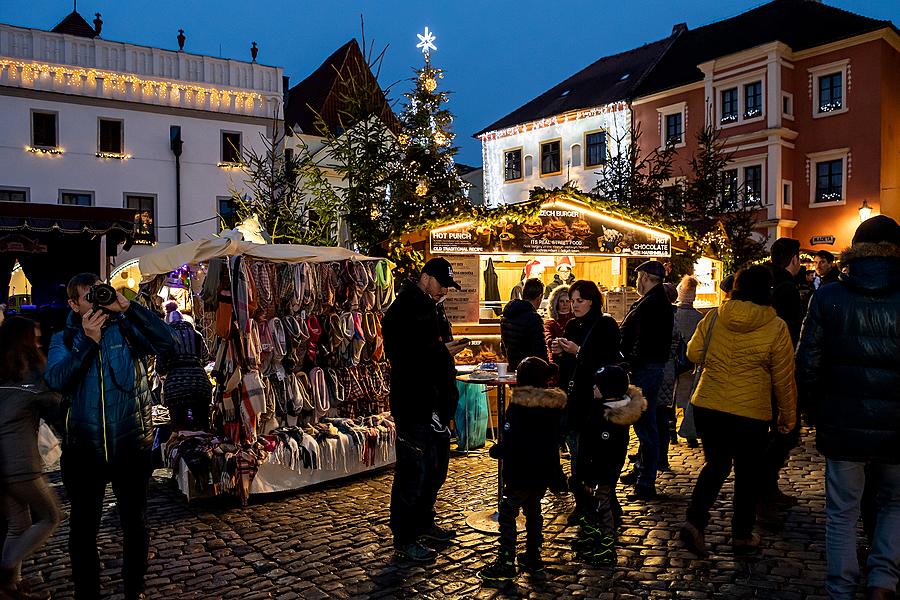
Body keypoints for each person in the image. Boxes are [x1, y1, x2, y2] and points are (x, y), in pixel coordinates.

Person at [44, 273, 175, 600]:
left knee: (135, 525)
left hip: (130, 446)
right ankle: (87, 593)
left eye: (100, 294)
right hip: (83, 452)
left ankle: (135, 589)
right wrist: (88, 340)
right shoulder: (63, 338)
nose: (97, 302)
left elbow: (169, 342)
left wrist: (128, 307)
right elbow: (57, 380)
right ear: (73, 304)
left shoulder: (128, 331)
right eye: (89, 298)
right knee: (83, 531)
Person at [796, 215, 900, 599]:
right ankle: (882, 582)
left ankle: (841, 589)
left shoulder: (829, 295)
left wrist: (814, 410)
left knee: (842, 511)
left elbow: (807, 363)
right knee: (893, 503)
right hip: (896, 424)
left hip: (842, 420)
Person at [679, 265, 796, 558]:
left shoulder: (716, 316)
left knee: (716, 466)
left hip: (709, 404)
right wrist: (788, 416)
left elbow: (693, 353)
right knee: (748, 474)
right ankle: (741, 535)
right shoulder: (776, 326)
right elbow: (784, 377)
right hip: (750, 411)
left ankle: (694, 522)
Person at [382, 258, 466, 563]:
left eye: (448, 285)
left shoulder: (432, 307)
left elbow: (434, 353)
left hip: (435, 403)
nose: (444, 290)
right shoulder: (403, 310)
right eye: (442, 283)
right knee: (412, 472)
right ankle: (404, 536)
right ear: (425, 278)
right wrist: (440, 353)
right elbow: (405, 357)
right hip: (414, 403)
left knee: (435, 468)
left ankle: (423, 521)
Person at [478, 357, 566, 583]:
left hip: (520, 472)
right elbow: (553, 441)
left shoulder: (520, 406)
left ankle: (506, 559)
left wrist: (499, 450)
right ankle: (534, 555)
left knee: (507, 513)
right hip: (541, 472)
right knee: (534, 510)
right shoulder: (553, 406)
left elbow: (514, 439)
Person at [0, 317, 62, 600]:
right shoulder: (32, 372)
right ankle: (5, 569)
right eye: (35, 338)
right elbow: (55, 404)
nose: (38, 343)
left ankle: (11, 587)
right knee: (51, 515)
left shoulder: (3, 370)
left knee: (19, 524)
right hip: (20, 463)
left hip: (2, 464)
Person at [551, 280, 620, 520]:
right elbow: (569, 367)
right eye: (572, 300)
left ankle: (606, 504)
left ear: (592, 300)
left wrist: (577, 351)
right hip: (576, 397)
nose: (574, 305)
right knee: (577, 452)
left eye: (579, 300)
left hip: (597, 398)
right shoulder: (571, 325)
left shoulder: (606, 324)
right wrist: (560, 353)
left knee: (599, 454)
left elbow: (607, 361)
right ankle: (583, 503)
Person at [574, 365, 646, 566]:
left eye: (597, 386)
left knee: (602, 506)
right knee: (592, 503)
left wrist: (590, 475)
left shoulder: (607, 419)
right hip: (594, 471)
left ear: (608, 390)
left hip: (600, 472)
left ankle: (607, 544)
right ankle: (593, 533)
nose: (593, 388)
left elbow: (601, 451)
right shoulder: (603, 408)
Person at [619, 261, 673, 500]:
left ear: (646, 278)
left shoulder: (653, 303)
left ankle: (646, 480)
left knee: (645, 424)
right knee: (645, 422)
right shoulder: (655, 300)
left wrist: (629, 361)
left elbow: (642, 339)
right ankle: (641, 470)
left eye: (638, 276)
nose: (636, 281)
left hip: (646, 368)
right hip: (648, 366)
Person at [759, 237, 804, 518]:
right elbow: (793, 332)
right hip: (780, 367)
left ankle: (768, 488)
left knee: (775, 432)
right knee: (785, 431)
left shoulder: (766, 282)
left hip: (762, 367)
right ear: (794, 259)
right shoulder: (787, 288)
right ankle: (764, 491)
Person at [157, 309, 211, 431]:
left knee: (180, 430)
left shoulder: (165, 337)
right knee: (203, 429)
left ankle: (181, 448)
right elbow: (206, 359)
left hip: (175, 388)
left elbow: (160, 368)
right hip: (200, 385)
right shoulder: (197, 335)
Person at [673, 276, 704, 449]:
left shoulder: (673, 314)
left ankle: (671, 433)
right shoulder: (699, 317)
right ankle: (690, 434)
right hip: (690, 363)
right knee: (688, 397)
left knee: (671, 396)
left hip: (672, 362)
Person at [655, 283, 680, 472]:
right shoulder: (672, 315)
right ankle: (656, 456)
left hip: (661, 369)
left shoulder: (666, 316)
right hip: (668, 369)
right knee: (660, 415)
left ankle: (658, 457)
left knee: (657, 417)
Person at [500, 278, 548, 371]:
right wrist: (548, 369)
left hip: (513, 367)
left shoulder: (507, 315)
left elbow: (503, 346)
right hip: (530, 370)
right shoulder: (534, 318)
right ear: (540, 297)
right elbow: (539, 349)